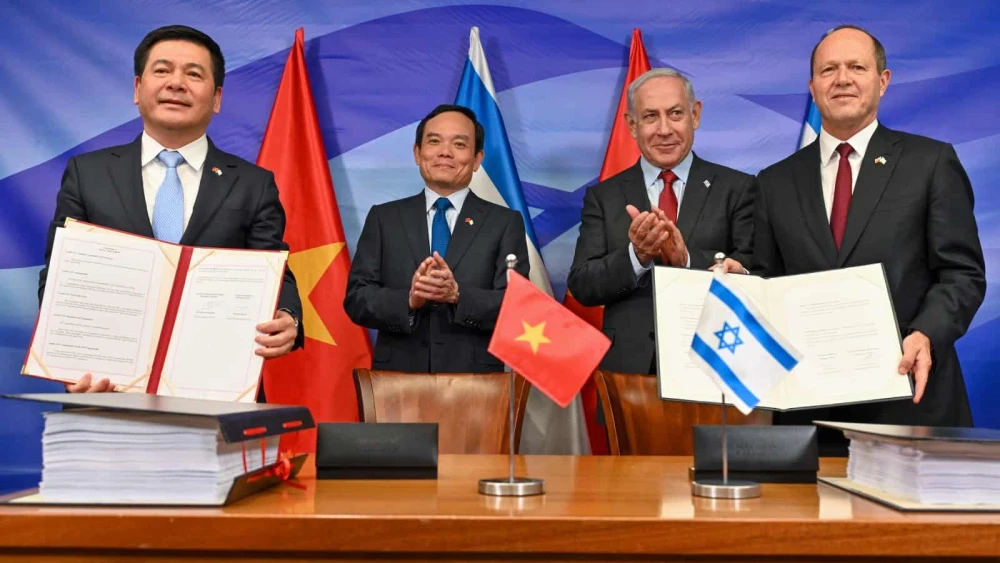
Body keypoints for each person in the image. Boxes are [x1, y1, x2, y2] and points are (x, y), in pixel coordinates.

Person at [39, 25, 304, 393]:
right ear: (137, 89)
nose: (176, 83)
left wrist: (289, 315)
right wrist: (71, 359)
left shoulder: (252, 183)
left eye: (194, 74)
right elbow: (60, 275)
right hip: (107, 388)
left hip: (217, 390)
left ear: (216, 98)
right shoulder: (88, 174)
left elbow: (275, 270)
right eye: (162, 70)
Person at [753, 25, 986, 433]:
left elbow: (962, 274)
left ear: (882, 81)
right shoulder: (773, 182)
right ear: (812, 86)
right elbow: (768, 280)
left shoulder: (930, 163)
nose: (842, 79)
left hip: (909, 398)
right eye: (829, 70)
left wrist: (926, 333)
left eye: (856, 67)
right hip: (810, 409)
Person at [567, 68, 756, 375]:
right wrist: (636, 257)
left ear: (695, 115)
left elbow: (757, 270)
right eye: (651, 116)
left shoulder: (738, 188)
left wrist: (688, 260)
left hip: (717, 365)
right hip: (630, 374)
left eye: (676, 113)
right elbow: (583, 285)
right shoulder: (604, 196)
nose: (664, 129)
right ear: (632, 125)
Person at [344, 104, 528, 373]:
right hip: (396, 381)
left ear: (477, 159)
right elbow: (357, 299)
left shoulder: (504, 223)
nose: (445, 152)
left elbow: (516, 307)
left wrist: (457, 295)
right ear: (418, 153)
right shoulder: (384, 218)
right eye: (434, 141)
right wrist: (409, 300)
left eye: (459, 144)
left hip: (476, 384)